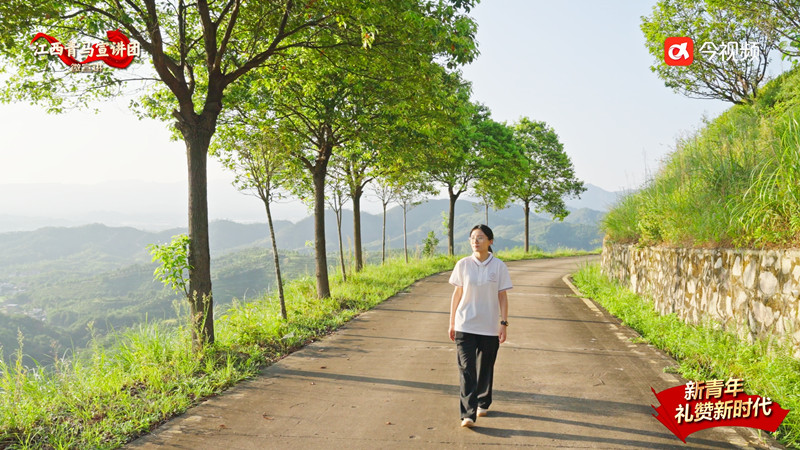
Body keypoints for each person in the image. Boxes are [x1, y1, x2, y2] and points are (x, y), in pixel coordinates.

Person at [448, 224, 512, 428]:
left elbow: (502, 296)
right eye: (473, 238)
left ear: (490, 241)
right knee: (467, 369)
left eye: (481, 238)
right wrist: (452, 323)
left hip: (489, 326)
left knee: (485, 367)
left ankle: (483, 402)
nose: (476, 241)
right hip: (465, 324)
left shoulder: (499, 266)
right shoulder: (463, 264)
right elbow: (457, 294)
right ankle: (468, 414)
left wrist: (503, 323)